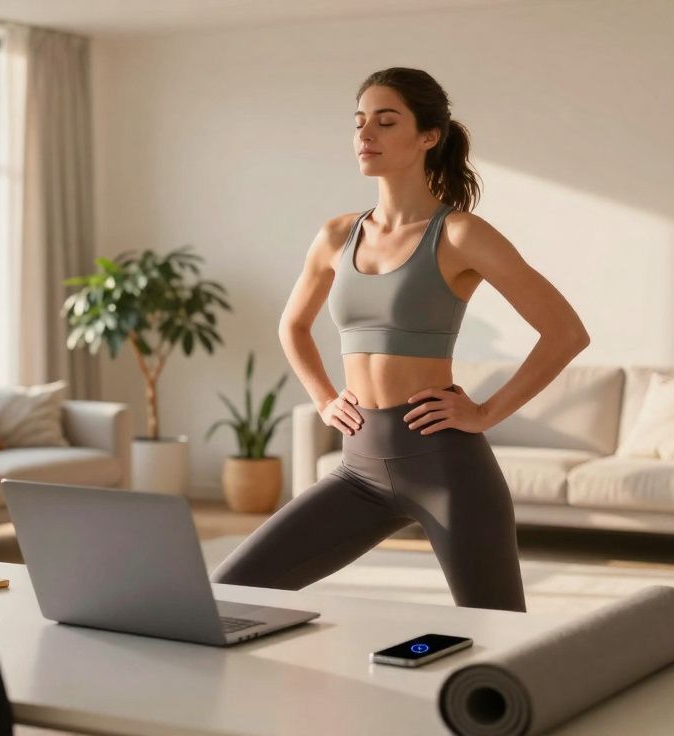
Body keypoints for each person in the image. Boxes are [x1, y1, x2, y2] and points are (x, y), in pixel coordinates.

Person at [209, 67, 590, 613]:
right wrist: (322, 398)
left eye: (386, 122)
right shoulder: (337, 235)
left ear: (428, 136)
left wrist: (484, 412)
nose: (366, 134)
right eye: (360, 122)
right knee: (227, 593)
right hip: (358, 467)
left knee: (501, 630)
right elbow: (292, 326)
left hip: (444, 466)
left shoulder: (460, 234)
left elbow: (565, 332)